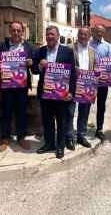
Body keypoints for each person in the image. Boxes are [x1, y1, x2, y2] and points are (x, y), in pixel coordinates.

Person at [33, 25, 76, 159]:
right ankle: (49, 144)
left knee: (62, 122)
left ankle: (60, 147)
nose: (50, 37)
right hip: (45, 93)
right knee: (47, 121)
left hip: (61, 94)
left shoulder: (67, 51)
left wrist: (71, 92)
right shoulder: (41, 51)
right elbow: (34, 70)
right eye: (48, 34)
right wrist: (39, 65)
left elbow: (73, 74)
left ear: (58, 36)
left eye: (52, 34)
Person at [0, 21, 35, 151]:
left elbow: (34, 66)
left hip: (22, 86)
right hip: (7, 85)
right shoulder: (1, 46)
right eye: (14, 30)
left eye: (19, 30)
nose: (16, 33)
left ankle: (21, 137)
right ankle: (5, 138)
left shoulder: (29, 47)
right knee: (6, 111)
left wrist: (31, 63)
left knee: (21, 112)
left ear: (22, 32)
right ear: (10, 31)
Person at [66, 26, 96, 150]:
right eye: (80, 34)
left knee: (84, 112)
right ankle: (68, 137)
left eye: (85, 34)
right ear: (77, 35)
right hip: (72, 85)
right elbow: (64, 65)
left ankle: (81, 135)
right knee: (70, 112)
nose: (82, 36)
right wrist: (73, 70)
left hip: (87, 86)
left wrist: (96, 72)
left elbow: (94, 67)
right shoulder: (69, 49)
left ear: (89, 37)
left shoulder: (92, 51)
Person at [89, 24, 111, 142]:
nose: (99, 34)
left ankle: (99, 129)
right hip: (89, 80)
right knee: (85, 104)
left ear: (104, 33)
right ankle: (83, 127)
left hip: (102, 82)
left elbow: (110, 64)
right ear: (94, 31)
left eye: (101, 32)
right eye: (97, 31)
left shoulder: (107, 46)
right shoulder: (88, 44)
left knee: (101, 106)